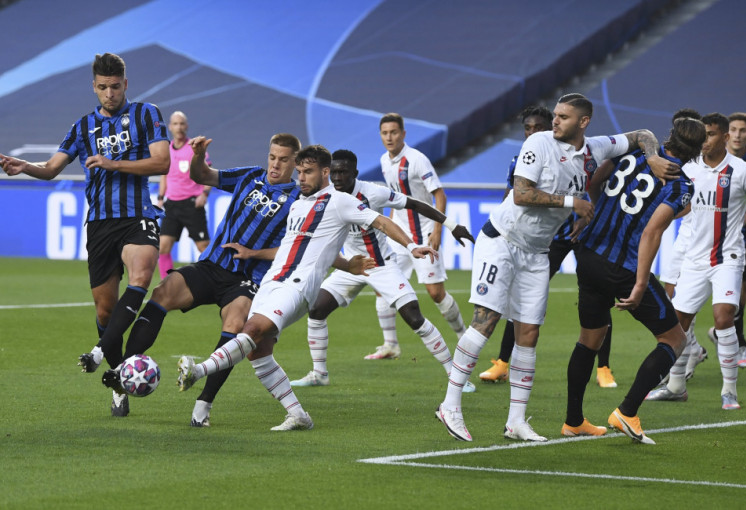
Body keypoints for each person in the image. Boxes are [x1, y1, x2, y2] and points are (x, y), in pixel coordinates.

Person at [435, 93, 679, 442]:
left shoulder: (595, 148)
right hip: (502, 240)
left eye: (564, 116)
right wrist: (572, 203)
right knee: (486, 321)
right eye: (556, 114)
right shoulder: (539, 143)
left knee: (529, 333)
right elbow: (521, 193)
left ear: (583, 122)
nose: (555, 121)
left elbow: (641, 134)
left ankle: (516, 422)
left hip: (536, 251)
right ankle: (450, 405)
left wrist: (652, 157)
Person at [176, 145, 438, 430]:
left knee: (251, 330)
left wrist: (411, 246)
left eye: (308, 172)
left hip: (299, 285)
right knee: (258, 352)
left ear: (325, 172)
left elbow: (382, 221)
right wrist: (346, 265)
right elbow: (306, 247)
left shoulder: (340, 201)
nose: (300, 178)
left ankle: (198, 371)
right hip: (272, 281)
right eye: (299, 172)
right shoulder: (298, 204)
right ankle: (298, 415)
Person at [0, 53, 170, 417]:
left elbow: (162, 162)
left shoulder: (146, 114)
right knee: (105, 311)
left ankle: (99, 354)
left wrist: (114, 163)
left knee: (141, 277)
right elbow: (51, 169)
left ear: (126, 84)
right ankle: (120, 380)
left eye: (115, 86)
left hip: (138, 215)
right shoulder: (82, 127)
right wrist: (24, 166)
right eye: (103, 87)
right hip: (100, 225)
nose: (110, 93)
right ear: (94, 87)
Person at [94, 133, 306, 424]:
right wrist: (196, 156)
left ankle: (204, 404)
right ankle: (122, 374)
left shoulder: (299, 201)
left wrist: (253, 253)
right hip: (211, 265)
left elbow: (295, 248)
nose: (275, 164)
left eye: (283, 160)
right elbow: (202, 175)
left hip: (247, 280)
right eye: (272, 157)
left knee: (235, 325)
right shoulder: (249, 176)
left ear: (295, 163)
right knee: (162, 292)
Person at [561, 117, 704, 444]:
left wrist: (594, 211)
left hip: (589, 254)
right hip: (622, 266)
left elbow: (595, 177)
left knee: (589, 340)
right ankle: (626, 412)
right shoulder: (681, 185)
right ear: (697, 151)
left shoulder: (635, 153)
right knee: (675, 340)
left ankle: (573, 421)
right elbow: (652, 232)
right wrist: (640, 284)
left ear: (670, 135)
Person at [290, 149, 475, 389]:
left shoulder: (372, 192)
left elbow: (412, 204)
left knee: (413, 316)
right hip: (350, 266)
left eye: (343, 172)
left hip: (381, 265)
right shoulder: (325, 196)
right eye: (334, 172)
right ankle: (319, 374)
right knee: (316, 309)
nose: (337, 177)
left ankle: (456, 377)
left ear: (355, 173)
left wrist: (449, 224)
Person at [478, 105, 618, 389]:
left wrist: (589, 213)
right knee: (521, 300)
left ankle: (603, 367)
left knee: (598, 295)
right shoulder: (521, 159)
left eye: (539, 128)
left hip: (581, 233)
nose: (533, 133)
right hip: (547, 239)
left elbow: (589, 183)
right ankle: (502, 362)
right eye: (527, 128)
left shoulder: (577, 154)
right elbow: (513, 195)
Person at [646, 113, 746, 410]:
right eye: (703, 135)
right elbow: (683, 207)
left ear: (724, 137)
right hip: (694, 258)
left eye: (710, 134)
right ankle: (676, 386)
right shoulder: (688, 168)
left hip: (728, 257)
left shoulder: (745, 172)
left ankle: (729, 392)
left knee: (723, 317)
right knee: (678, 324)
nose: (704, 140)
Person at [366, 113, 466, 360]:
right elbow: (394, 198)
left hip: (424, 234)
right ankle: (390, 345)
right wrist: (388, 228)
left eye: (394, 132)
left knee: (435, 293)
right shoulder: (384, 160)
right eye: (385, 133)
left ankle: (464, 338)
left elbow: (439, 195)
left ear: (403, 134)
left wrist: (437, 229)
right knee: (383, 285)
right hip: (399, 236)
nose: (389, 137)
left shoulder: (417, 160)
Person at [706, 112, 746, 368]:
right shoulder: (710, 158)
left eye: (743, 131)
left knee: (738, 299)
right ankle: (688, 350)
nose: (738, 135)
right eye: (734, 130)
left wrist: (743, 218)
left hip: (739, 241)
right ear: (726, 133)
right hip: (705, 240)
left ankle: (735, 340)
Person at [659, 108, 708, 382]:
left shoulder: (705, 165)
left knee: (682, 306)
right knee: (671, 303)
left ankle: (677, 365)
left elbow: (689, 205)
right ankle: (693, 349)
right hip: (682, 242)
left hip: (701, 246)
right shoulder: (680, 164)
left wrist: (662, 213)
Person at [155, 111, 212, 279]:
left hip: (192, 204)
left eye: (181, 123)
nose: (179, 127)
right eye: (175, 124)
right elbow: (164, 176)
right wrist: (160, 198)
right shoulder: (166, 150)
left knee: (203, 247)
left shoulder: (194, 149)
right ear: (170, 127)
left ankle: (213, 280)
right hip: (172, 205)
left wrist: (205, 194)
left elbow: (209, 173)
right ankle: (167, 284)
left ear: (186, 126)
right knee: (163, 247)